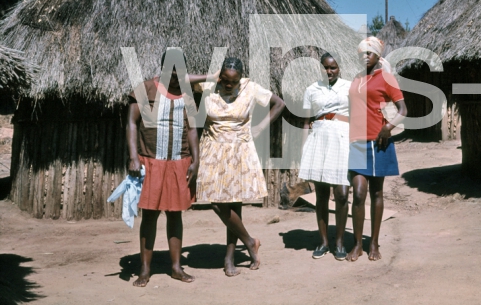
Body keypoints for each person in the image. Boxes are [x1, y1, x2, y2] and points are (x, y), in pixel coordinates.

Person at [192, 57, 285, 276]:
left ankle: (229, 258)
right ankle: (250, 241)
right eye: (224, 80)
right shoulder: (209, 86)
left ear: (240, 79)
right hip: (212, 149)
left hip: (239, 150)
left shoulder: (251, 88)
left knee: (233, 205)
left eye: (233, 82)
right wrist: (211, 77)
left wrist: (261, 127)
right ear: (220, 76)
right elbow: (181, 79)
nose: (228, 85)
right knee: (215, 202)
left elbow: (279, 104)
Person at [127, 51, 199, 287]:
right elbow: (131, 122)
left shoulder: (187, 95)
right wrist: (133, 157)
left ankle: (176, 267)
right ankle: (145, 269)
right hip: (152, 161)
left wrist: (195, 160)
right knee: (149, 214)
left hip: (179, 161)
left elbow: (191, 130)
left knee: (175, 214)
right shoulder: (146, 89)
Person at [347, 37, 407, 262]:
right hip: (356, 141)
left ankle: (373, 243)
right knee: (359, 193)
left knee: (377, 193)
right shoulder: (355, 79)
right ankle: (357, 244)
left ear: (377, 56)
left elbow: (403, 109)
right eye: (361, 53)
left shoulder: (386, 78)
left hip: (378, 141)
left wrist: (388, 127)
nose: (365, 57)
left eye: (369, 53)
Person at [299, 53, 352, 260]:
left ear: (340, 68)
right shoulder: (311, 90)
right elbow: (306, 122)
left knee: (341, 194)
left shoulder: (349, 86)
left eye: (333, 68)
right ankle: (323, 241)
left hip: (343, 138)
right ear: (320, 68)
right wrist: (304, 149)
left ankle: (339, 242)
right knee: (321, 195)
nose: (329, 72)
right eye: (326, 68)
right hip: (319, 139)